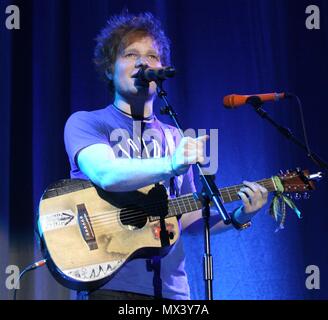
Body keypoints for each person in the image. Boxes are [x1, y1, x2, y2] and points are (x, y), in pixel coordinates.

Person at [64, 12, 268, 300]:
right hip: (109, 284)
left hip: (173, 291)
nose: (142, 62)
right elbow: (106, 173)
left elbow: (190, 218)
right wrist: (170, 164)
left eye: (152, 57)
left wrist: (239, 214)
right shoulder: (86, 122)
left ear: (162, 69)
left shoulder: (177, 138)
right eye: (131, 53)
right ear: (109, 69)